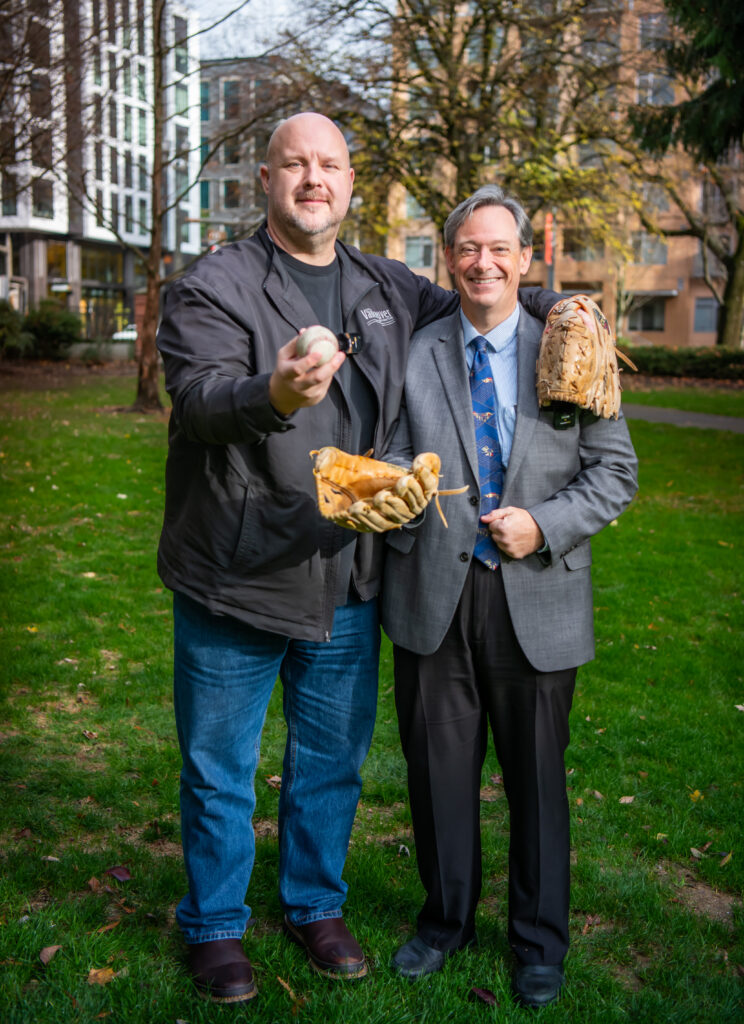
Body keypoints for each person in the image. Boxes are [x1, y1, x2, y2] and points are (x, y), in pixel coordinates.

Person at [156, 115, 561, 1004]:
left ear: (351, 182)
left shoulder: (388, 284)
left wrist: (560, 310)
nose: (313, 179)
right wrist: (274, 391)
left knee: (330, 762)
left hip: (348, 576)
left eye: (330, 164)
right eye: (295, 164)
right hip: (238, 574)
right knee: (220, 768)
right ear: (264, 178)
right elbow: (195, 399)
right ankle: (217, 925)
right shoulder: (214, 285)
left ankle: (312, 905)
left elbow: (481, 294)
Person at [379, 186, 638, 1007]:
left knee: (536, 782)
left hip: (537, 596)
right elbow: (390, 462)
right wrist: (388, 501)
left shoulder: (571, 344)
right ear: (448, 259)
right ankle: (444, 921)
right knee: (439, 777)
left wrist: (548, 524)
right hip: (433, 596)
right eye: (467, 249)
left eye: (500, 249)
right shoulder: (417, 354)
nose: (482, 262)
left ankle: (538, 942)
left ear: (526, 261)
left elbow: (616, 472)